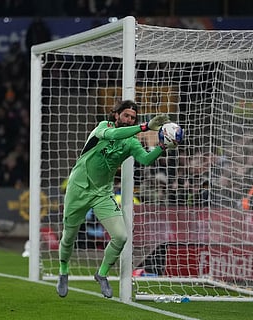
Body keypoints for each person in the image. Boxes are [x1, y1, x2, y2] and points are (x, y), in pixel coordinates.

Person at [56, 100, 172, 298]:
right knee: (69, 236)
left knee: (121, 236)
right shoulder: (103, 128)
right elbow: (114, 135)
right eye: (126, 115)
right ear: (116, 115)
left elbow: (145, 160)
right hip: (78, 189)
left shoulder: (131, 142)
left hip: (102, 194)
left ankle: (101, 274)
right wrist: (144, 126)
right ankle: (63, 270)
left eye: (133, 118)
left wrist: (163, 145)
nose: (128, 120)